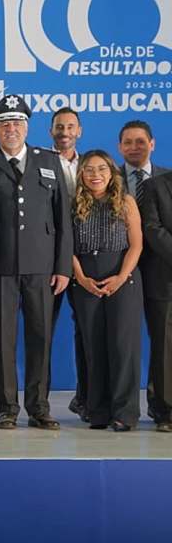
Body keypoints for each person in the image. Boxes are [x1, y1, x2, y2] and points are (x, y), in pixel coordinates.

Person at [0, 96, 71, 430]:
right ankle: (8, 408)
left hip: (42, 267)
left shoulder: (49, 161)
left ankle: (39, 406)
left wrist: (63, 267)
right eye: (4, 124)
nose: (11, 129)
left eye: (17, 123)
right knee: (3, 341)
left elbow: (62, 219)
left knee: (40, 338)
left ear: (27, 127)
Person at [69, 150, 143, 432]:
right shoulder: (73, 203)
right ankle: (97, 411)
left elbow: (136, 244)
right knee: (93, 346)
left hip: (122, 277)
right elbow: (67, 246)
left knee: (123, 346)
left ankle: (124, 413)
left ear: (112, 173)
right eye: (89, 169)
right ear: (81, 174)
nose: (95, 175)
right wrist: (81, 277)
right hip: (85, 279)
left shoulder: (126, 202)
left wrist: (121, 277)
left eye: (101, 169)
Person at [117, 120, 169, 423]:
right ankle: (110, 406)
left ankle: (161, 405)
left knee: (164, 343)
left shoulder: (166, 179)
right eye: (128, 142)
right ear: (119, 147)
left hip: (162, 272)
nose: (134, 147)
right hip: (117, 271)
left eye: (140, 141)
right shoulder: (105, 177)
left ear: (152, 144)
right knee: (119, 342)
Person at [50, 107, 87, 419]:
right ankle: (39, 404)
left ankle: (86, 397)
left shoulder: (93, 165)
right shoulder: (40, 163)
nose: (64, 132)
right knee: (43, 331)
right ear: (51, 131)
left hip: (88, 260)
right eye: (59, 126)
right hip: (51, 261)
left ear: (79, 131)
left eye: (70, 126)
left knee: (87, 331)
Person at [141, 171, 172, 432]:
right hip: (165, 280)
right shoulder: (155, 186)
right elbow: (152, 228)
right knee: (165, 347)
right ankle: (165, 411)